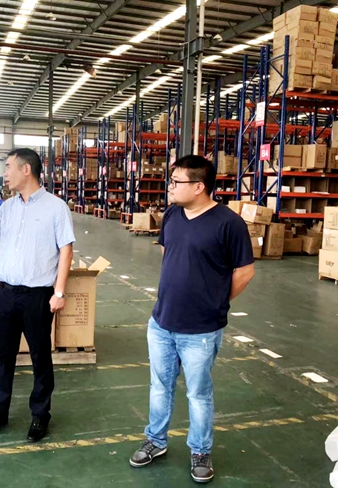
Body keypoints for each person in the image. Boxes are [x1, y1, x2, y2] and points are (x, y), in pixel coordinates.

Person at [129, 155, 255, 483]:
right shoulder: (172, 214)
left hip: (200, 330)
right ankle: (156, 440)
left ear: (199, 187)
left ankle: (200, 450)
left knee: (198, 393)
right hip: (162, 322)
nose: (170, 187)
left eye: (176, 182)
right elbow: (168, 253)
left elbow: (245, 271)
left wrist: (215, 300)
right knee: (160, 386)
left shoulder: (229, 223)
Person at [0, 148, 75, 442]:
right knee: (4, 356)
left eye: (9, 167)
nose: (5, 174)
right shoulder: (8, 208)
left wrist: (59, 292)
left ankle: (40, 415)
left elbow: (66, 251)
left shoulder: (56, 208)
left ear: (27, 170)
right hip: (6, 294)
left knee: (40, 357)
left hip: (38, 295)